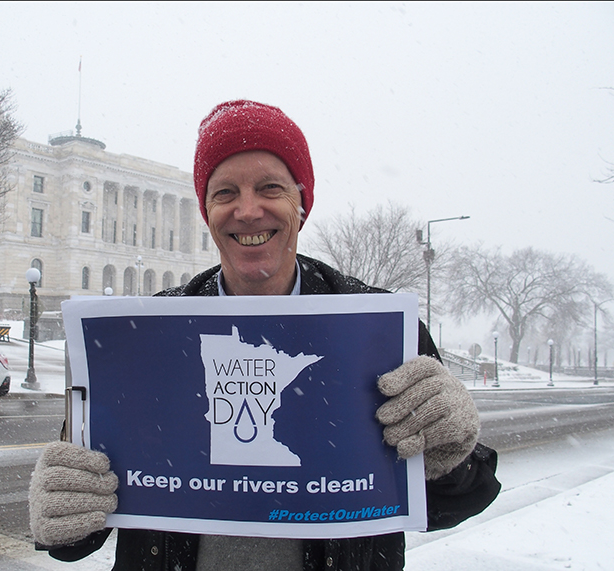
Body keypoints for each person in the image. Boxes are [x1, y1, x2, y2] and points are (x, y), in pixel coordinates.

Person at [28, 100, 501, 570]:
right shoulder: (143, 336)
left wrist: (450, 455)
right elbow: (82, 528)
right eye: (225, 192)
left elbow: (454, 501)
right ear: (207, 211)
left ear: (301, 205)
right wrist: (62, 510)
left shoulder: (379, 331)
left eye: (270, 188)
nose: (248, 210)